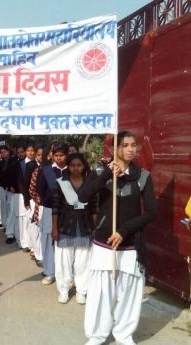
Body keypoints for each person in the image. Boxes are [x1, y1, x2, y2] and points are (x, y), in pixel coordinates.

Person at [79, 131, 156, 345]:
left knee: (129, 293)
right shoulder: (100, 171)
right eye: (125, 145)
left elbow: (151, 212)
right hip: (104, 244)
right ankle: (97, 335)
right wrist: (106, 174)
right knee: (101, 293)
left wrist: (124, 230)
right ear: (115, 149)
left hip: (130, 244)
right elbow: (82, 197)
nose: (131, 149)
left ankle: (123, 333)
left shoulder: (143, 176)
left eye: (134, 145)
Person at [52, 153, 98, 304]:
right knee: (64, 261)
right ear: (68, 166)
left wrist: (95, 227)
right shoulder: (61, 182)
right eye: (72, 165)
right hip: (65, 226)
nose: (76, 168)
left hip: (84, 226)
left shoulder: (89, 183)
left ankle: (81, 291)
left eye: (79, 165)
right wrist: (54, 228)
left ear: (83, 166)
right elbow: (56, 207)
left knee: (83, 262)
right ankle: (64, 290)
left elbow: (93, 208)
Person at [37, 143, 69, 285]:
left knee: (66, 242)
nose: (59, 158)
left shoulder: (73, 169)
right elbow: (40, 190)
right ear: (52, 156)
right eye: (56, 155)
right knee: (49, 241)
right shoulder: (46, 170)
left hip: (68, 211)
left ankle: (66, 273)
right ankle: (50, 272)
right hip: (49, 210)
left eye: (62, 155)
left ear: (66, 156)